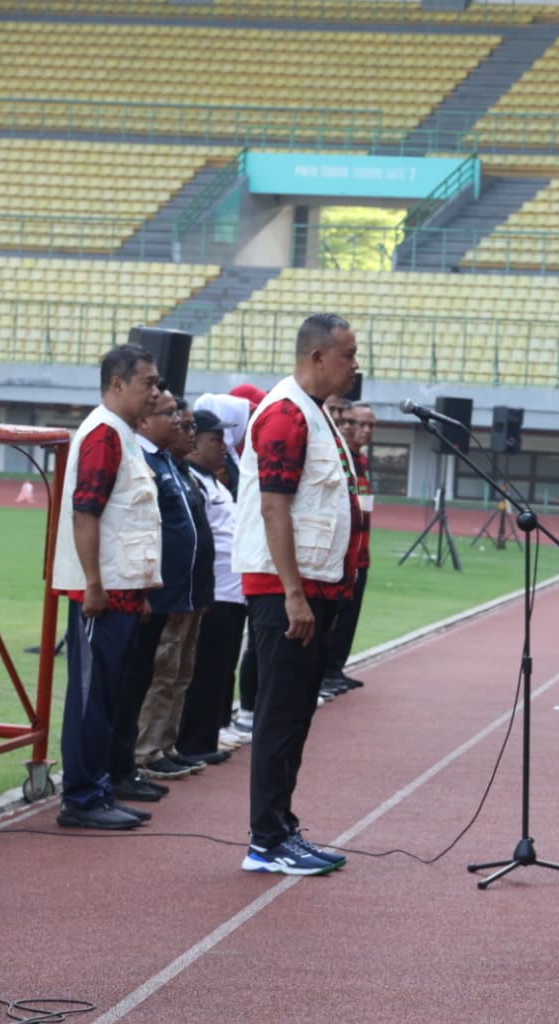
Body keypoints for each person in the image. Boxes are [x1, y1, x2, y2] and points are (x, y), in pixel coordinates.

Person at [235, 313, 361, 876]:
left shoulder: (314, 413)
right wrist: (292, 594)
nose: (355, 366)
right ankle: (265, 841)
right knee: (280, 716)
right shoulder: (287, 415)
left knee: (294, 716)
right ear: (317, 358)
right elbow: (273, 507)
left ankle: (280, 827)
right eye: (348, 355)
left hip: (312, 587)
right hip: (287, 591)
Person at [52, 344, 163, 830]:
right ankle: (81, 797)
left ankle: (97, 788)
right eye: (148, 383)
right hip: (100, 595)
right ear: (117, 384)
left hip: (121, 591)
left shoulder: (123, 434)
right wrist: (94, 584)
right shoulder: (103, 435)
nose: (155, 393)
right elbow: (85, 513)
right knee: (90, 699)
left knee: (107, 697)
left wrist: (135, 592)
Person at [134, 397, 216, 780]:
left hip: (189, 592)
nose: (188, 433)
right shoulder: (150, 464)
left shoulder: (175, 467)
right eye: (180, 424)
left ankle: (166, 744)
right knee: (161, 675)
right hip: (166, 593)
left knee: (180, 675)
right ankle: (145, 750)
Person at [175, 408, 252, 758]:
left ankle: (205, 739)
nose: (223, 445)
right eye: (215, 438)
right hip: (214, 592)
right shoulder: (191, 479)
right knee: (204, 673)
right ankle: (192, 743)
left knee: (219, 671)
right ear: (195, 444)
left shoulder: (212, 480)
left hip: (231, 592)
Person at [323, 401, 374, 698]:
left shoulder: (362, 461)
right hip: (344, 555)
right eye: (359, 424)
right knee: (336, 616)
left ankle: (336, 668)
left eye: (371, 425)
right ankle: (326, 670)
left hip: (361, 553)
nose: (365, 431)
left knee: (350, 616)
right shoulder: (341, 461)